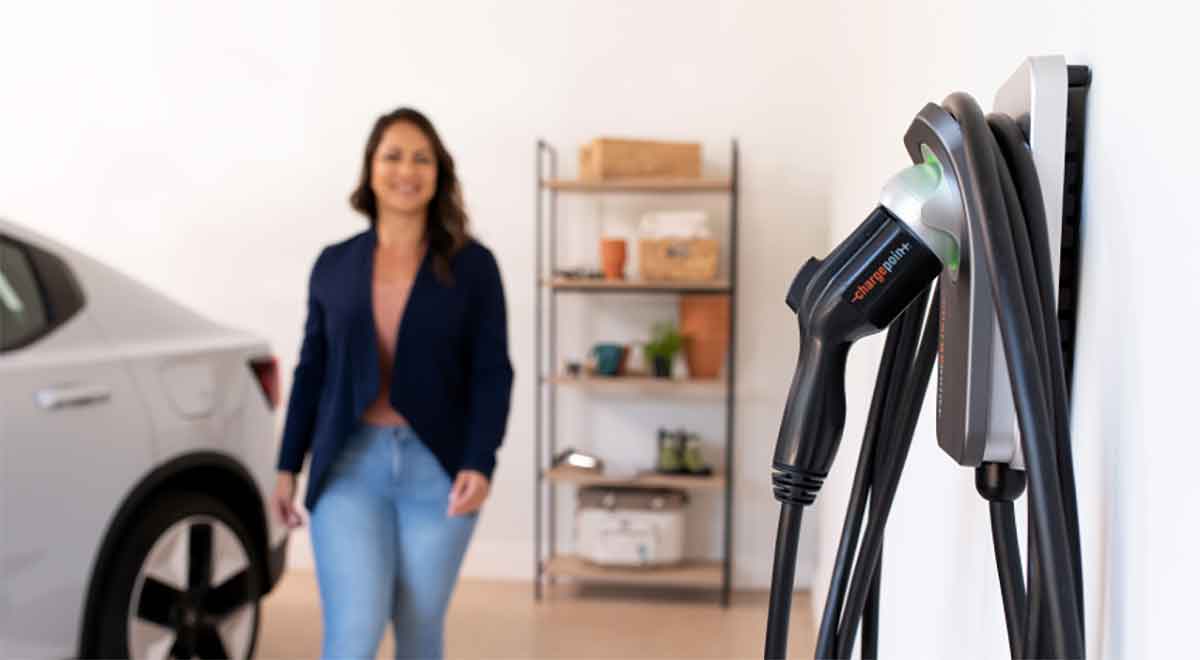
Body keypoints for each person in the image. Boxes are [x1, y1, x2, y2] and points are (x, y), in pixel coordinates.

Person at [271, 107, 514, 660]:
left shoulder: (473, 266)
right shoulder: (334, 265)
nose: (407, 170)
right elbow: (312, 372)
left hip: (439, 470)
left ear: (439, 173)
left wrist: (481, 461)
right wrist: (287, 466)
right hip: (350, 467)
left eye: (421, 158)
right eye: (393, 156)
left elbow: (492, 372)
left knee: (420, 629)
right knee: (355, 632)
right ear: (370, 169)